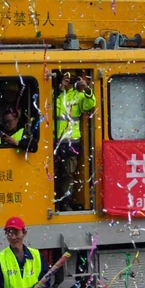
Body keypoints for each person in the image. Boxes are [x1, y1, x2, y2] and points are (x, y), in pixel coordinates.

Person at [54, 72, 96, 211]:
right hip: (53, 141)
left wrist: (87, 89)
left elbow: (90, 104)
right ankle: (54, 202)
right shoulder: (53, 93)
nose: (68, 81)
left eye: (70, 79)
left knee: (68, 175)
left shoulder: (78, 95)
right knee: (54, 174)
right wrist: (59, 88)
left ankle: (65, 202)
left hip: (71, 143)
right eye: (65, 78)